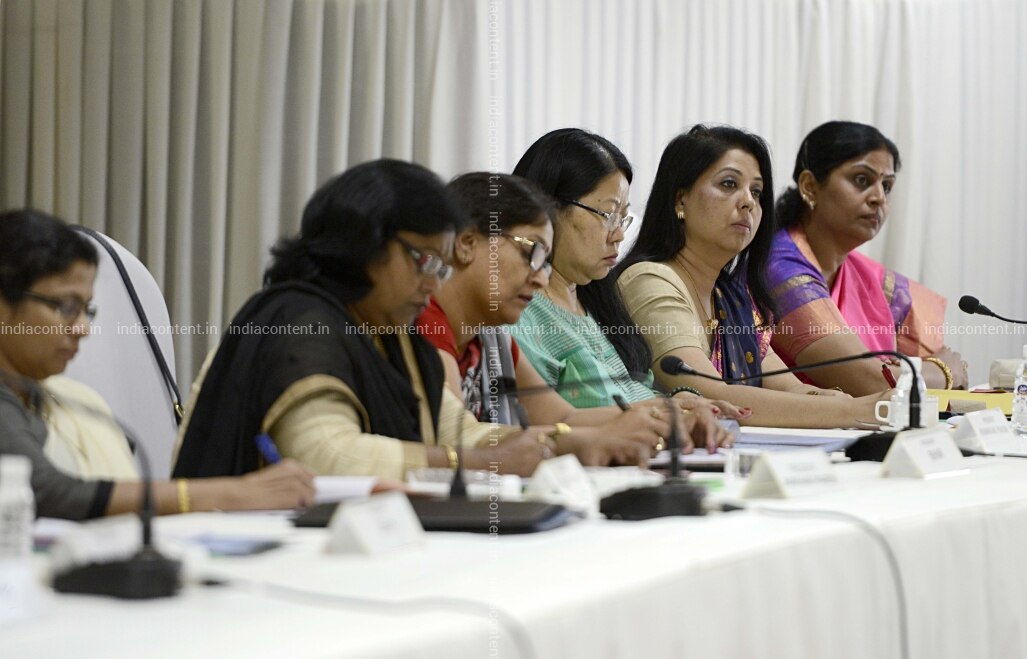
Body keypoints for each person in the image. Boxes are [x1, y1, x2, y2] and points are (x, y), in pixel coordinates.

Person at [173, 160, 649, 482]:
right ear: (365, 242)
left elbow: (461, 433)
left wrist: (568, 446)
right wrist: (478, 461)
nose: (433, 280)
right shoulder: (302, 320)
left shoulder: (390, 335)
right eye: (423, 259)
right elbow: (327, 454)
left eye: (439, 263)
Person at [0, 209, 315, 520]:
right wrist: (234, 493)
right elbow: (49, 493)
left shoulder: (70, 400)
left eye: (86, 310)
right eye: (66, 307)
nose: (82, 328)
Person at [417, 171, 730, 454]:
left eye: (544, 263)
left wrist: (671, 416)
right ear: (467, 242)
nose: (540, 277)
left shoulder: (490, 335)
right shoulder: (423, 321)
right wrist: (578, 441)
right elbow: (457, 437)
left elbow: (564, 416)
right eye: (531, 253)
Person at [613, 125, 889, 428]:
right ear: (681, 200)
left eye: (756, 191)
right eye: (729, 184)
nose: (748, 202)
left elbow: (790, 387)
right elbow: (709, 394)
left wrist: (834, 400)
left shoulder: (731, 297)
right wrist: (855, 410)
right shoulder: (650, 279)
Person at [509, 129, 746, 441]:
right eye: (607, 214)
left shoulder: (597, 304)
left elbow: (629, 395)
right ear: (549, 208)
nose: (619, 234)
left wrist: (677, 404)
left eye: (623, 218)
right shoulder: (520, 311)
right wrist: (663, 414)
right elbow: (547, 425)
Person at [768, 120, 967, 394]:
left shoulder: (871, 279)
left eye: (886, 186)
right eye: (862, 180)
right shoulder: (779, 266)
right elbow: (867, 381)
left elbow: (935, 353)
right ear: (810, 187)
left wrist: (932, 368)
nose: (878, 198)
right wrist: (942, 373)